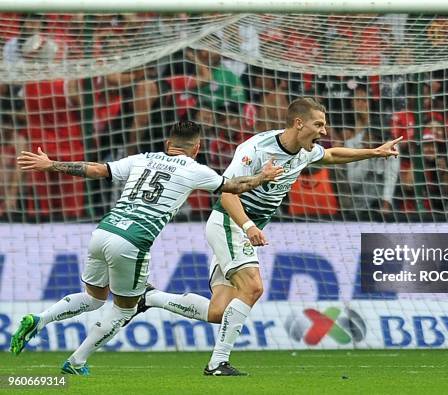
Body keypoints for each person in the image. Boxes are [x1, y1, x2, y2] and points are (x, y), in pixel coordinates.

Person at [128, 97, 402, 376]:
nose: (324, 131)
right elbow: (226, 194)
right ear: (298, 123)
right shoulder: (255, 149)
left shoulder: (304, 151)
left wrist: (374, 153)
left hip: (242, 227)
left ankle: (149, 298)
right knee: (254, 288)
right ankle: (217, 363)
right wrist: (248, 227)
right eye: (318, 124)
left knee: (218, 312)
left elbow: (331, 155)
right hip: (229, 222)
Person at [10, 120, 283, 375]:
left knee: (93, 298)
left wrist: (51, 164)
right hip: (132, 242)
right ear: (197, 148)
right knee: (125, 308)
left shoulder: (142, 159)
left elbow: (96, 169)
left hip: (104, 230)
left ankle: (40, 319)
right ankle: (76, 361)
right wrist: (263, 176)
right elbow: (234, 187)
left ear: (168, 143)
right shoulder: (196, 170)